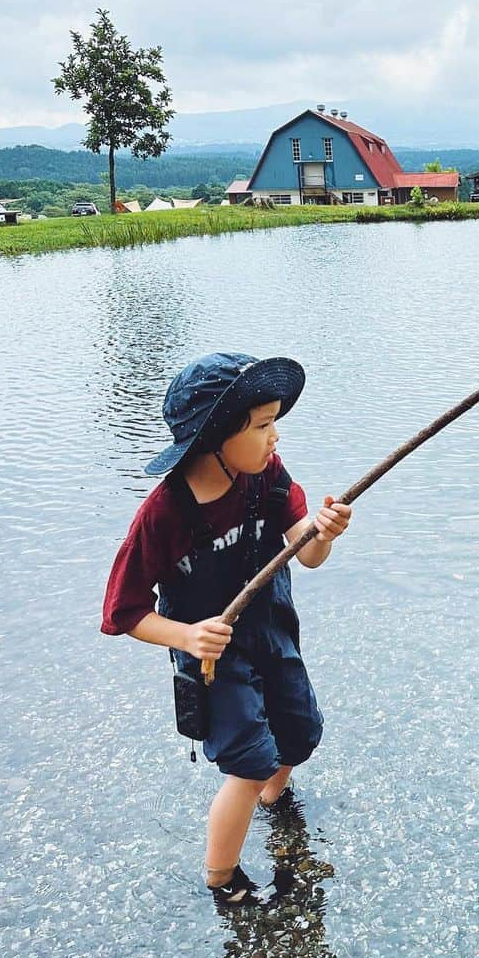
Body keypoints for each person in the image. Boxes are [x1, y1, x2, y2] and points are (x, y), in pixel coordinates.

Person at [102, 353, 351, 907]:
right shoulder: (164, 513)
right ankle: (222, 874)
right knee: (246, 757)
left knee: (301, 730)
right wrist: (186, 637)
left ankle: (272, 795)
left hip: (273, 633)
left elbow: (307, 556)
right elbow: (124, 611)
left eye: (273, 421)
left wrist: (324, 532)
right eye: (262, 425)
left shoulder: (270, 478)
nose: (275, 436)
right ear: (215, 435)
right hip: (214, 660)